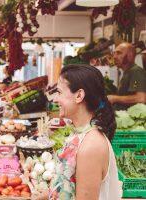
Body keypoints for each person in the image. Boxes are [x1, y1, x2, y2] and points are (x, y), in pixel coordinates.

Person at [37, 65, 121, 199]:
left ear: (79, 95)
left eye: (59, 92)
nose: (55, 99)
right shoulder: (80, 133)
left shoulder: (91, 145)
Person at [108, 42, 146, 110]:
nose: (114, 57)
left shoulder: (136, 71)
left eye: (119, 53)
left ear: (130, 55)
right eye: (114, 53)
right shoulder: (128, 72)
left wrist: (115, 98)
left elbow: (141, 98)